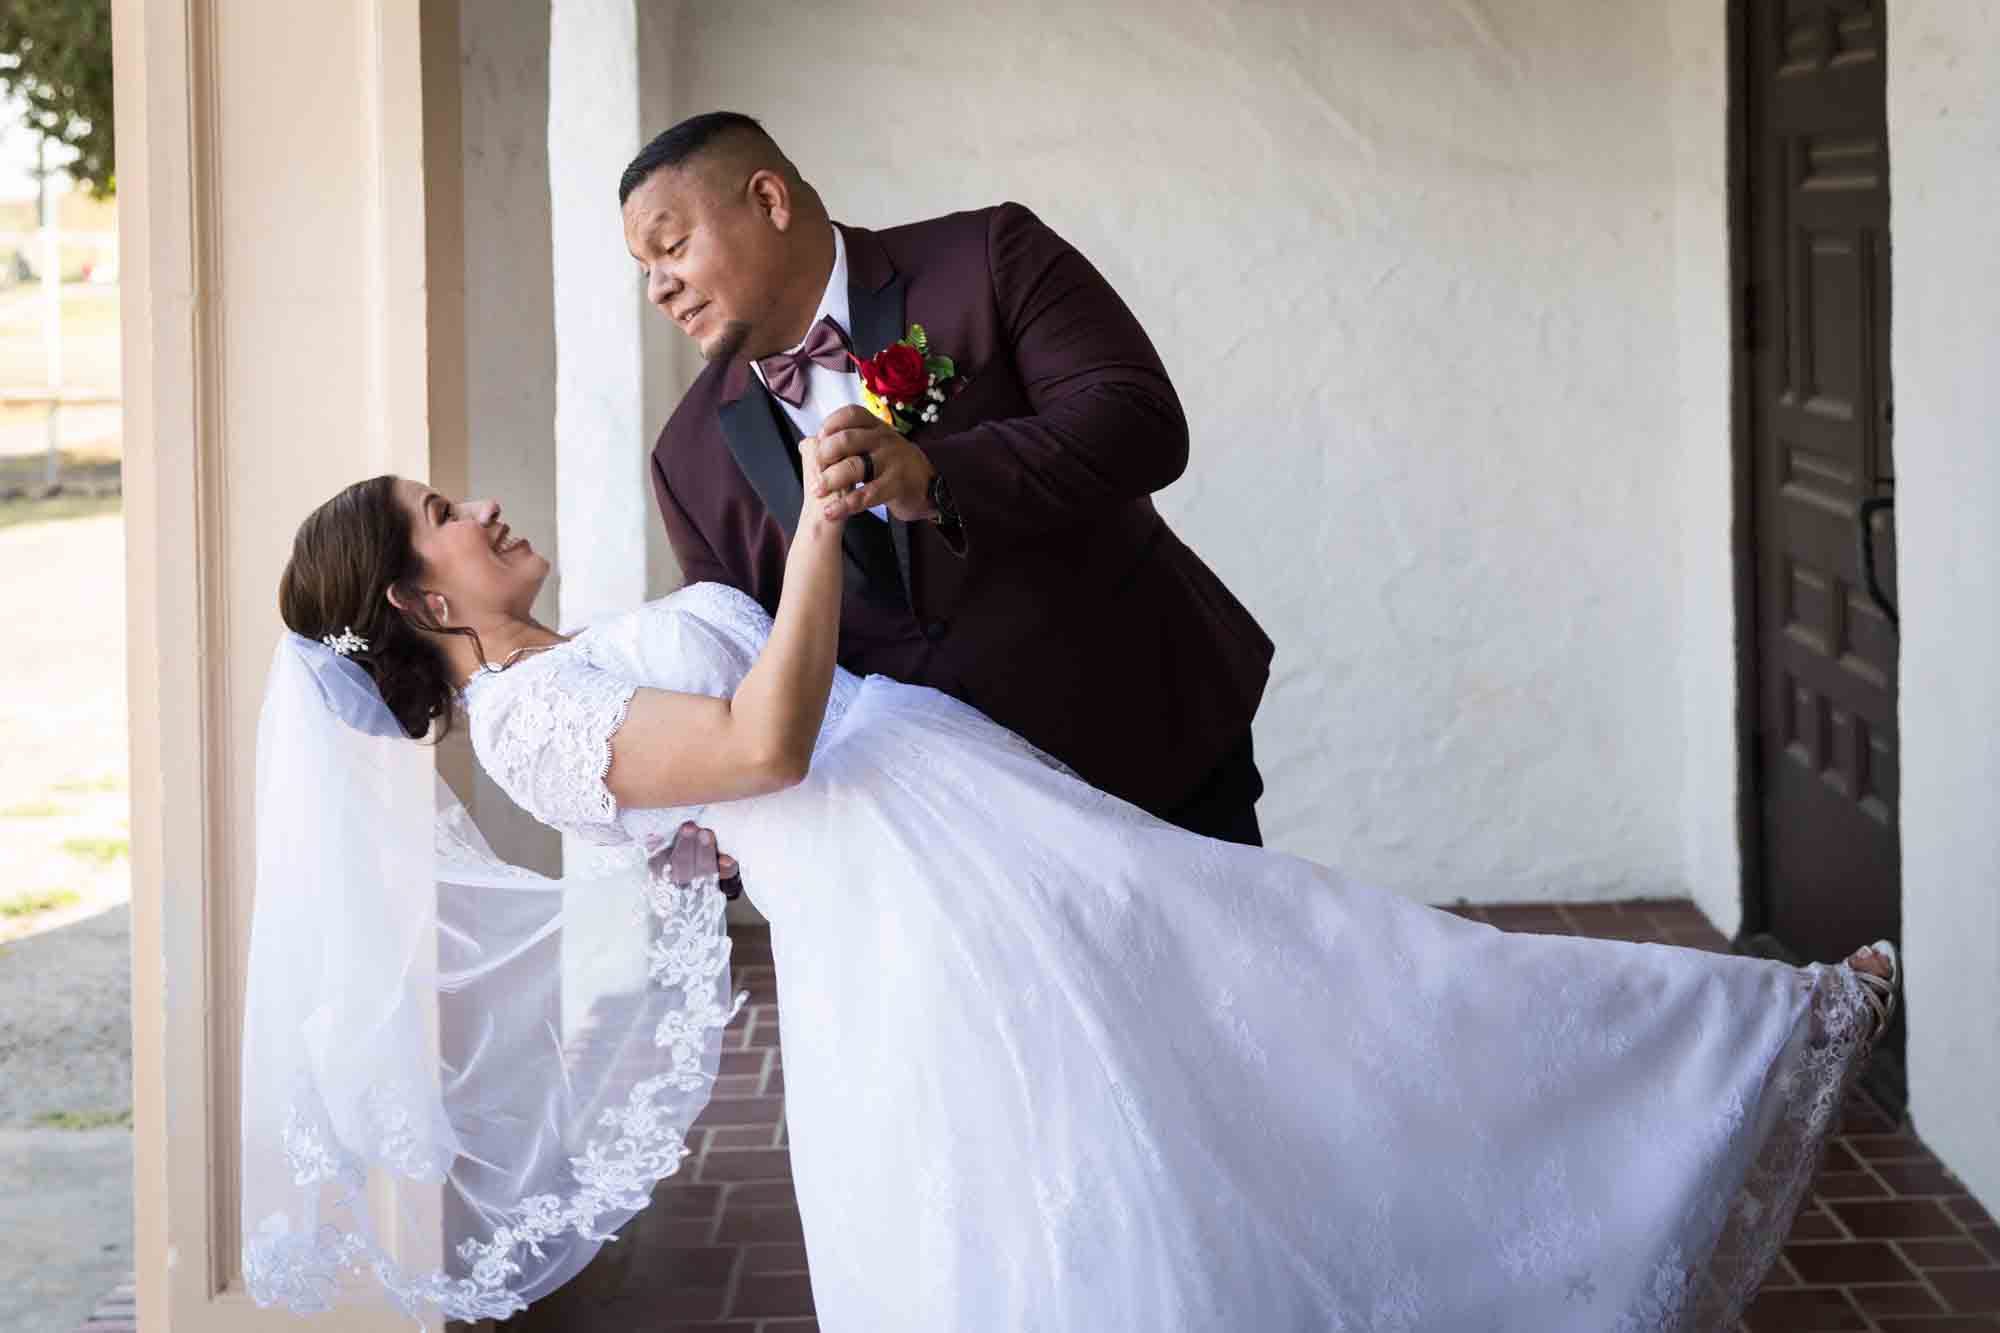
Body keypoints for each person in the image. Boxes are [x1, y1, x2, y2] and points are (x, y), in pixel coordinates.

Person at [241, 472, 1897, 1331]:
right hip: (926, 913)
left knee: (1305, 978)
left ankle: (1734, 1039)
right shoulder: (531, 723)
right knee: (1094, 1138)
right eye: (444, 514)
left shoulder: (567, 659)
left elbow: (721, 786)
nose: (482, 510)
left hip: (968, 843)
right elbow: (761, 744)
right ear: (412, 591)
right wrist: (820, 524)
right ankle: (1750, 1030)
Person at [630, 111, 1273, 847]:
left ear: (770, 200)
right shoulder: (684, 460)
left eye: (671, 246)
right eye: (644, 268)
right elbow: (740, 668)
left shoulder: (989, 256)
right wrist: (724, 827)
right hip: (946, 843)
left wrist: (939, 477)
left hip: (1147, 739)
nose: (658, 288)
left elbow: (1143, 424)